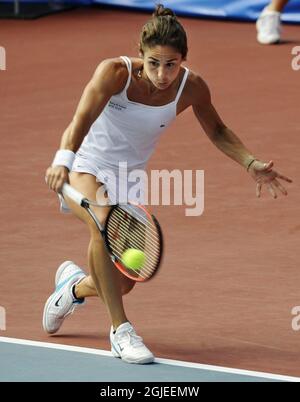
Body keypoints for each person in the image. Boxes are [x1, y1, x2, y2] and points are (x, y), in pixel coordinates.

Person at [44, 4, 292, 365]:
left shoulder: (191, 88)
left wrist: (249, 162)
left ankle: (73, 289)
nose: (163, 74)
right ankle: (121, 331)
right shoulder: (114, 72)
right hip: (84, 165)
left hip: (128, 179)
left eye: (171, 64)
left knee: (125, 279)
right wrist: (62, 160)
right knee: (103, 222)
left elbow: (218, 129)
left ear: (184, 60)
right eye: (154, 63)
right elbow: (81, 117)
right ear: (140, 55)